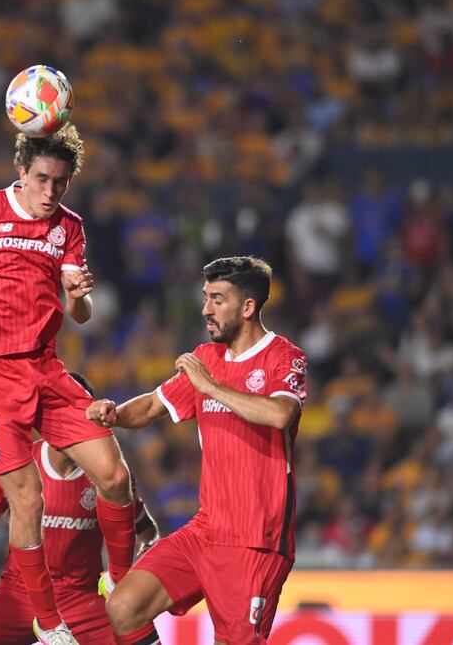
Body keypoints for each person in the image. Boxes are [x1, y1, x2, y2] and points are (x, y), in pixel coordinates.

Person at [0, 124, 139, 644]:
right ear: (21, 172)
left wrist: (78, 295)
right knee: (26, 499)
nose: (51, 192)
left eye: (61, 183)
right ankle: (47, 621)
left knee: (114, 477)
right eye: (43, 179)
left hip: (45, 368)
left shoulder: (69, 227)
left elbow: (81, 315)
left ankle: (119, 580)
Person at [86, 256, 308, 645]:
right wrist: (114, 414)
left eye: (217, 299)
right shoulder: (206, 359)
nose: (206, 309)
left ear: (248, 306)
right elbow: (153, 405)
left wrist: (210, 388)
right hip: (207, 529)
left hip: (257, 538)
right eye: (205, 298)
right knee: (124, 607)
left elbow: (280, 414)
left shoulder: (284, 357)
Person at [0, 373, 158, 645]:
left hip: (82, 597)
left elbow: (144, 529)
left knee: (133, 632)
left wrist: (137, 570)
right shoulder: (17, 464)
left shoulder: (109, 474)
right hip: (20, 594)